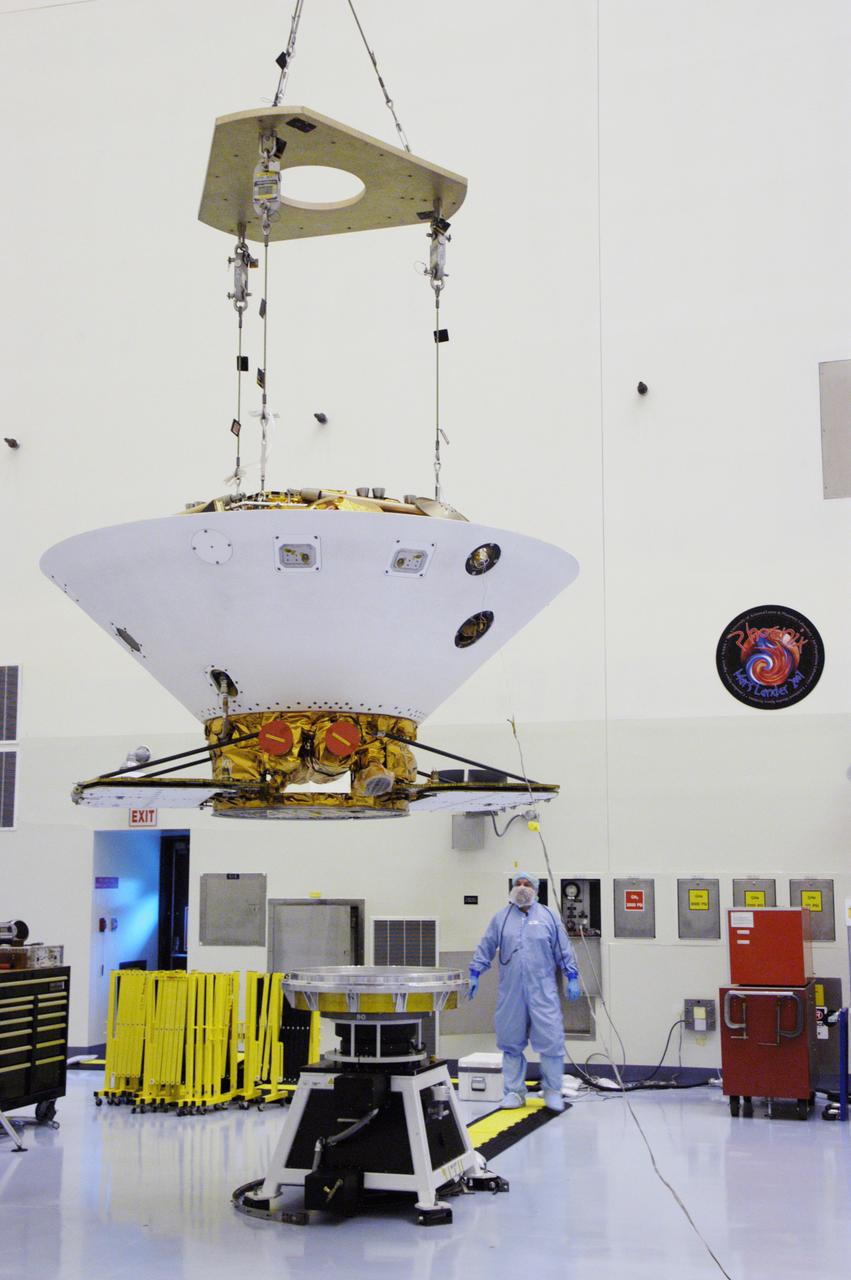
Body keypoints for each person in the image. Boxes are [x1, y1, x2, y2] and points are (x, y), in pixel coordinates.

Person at [468, 872, 580, 1111]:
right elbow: (486, 945)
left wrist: (572, 976)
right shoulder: (501, 918)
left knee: (551, 1041)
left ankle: (552, 1092)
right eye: (517, 884)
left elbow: (564, 949)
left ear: (536, 889)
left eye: (526, 884)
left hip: (543, 990)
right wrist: (475, 972)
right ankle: (514, 1093)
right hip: (511, 992)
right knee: (510, 1042)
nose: (521, 887)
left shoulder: (549, 917)